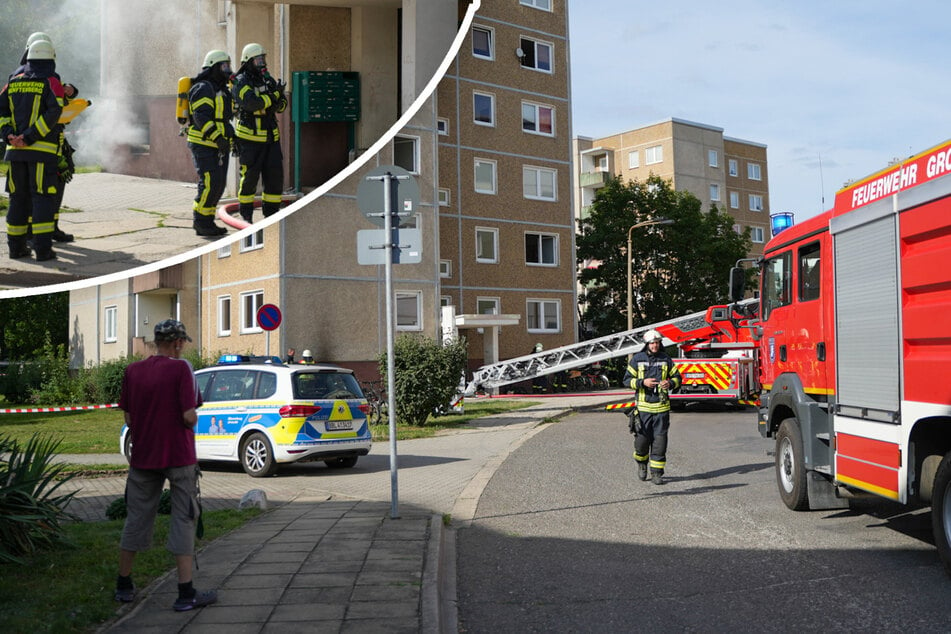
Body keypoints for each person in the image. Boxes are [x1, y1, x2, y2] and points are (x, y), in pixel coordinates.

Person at [114, 319, 217, 611]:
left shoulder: (133, 370)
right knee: (183, 518)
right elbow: (188, 416)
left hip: (144, 457)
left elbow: (129, 419)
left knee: (136, 518)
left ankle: (123, 585)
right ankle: (186, 593)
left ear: (155, 341)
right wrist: (193, 419)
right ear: (178, 342)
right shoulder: (181, 369)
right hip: (178, 456)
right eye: (183, 342)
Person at [10, 32, 78, 243]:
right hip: (44, 143)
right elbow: (53, 107)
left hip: (27, 144)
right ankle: (40, 234)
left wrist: (71, 90)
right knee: (43, 191)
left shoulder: (17, 76)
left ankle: (43, 230)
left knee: (36, 191)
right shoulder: (45, 78)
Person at [1, 39, 64, 261]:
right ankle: (43, 250)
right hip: (40, 153)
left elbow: (2, 112)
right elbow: (54, 113)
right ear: (51, 59)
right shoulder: (50, 82)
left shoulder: (13, 80)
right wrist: (29, 137)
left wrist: (8, 134)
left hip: (15, 153)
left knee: (18, 198)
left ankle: (16, 248)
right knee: (42, 198)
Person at [231, 43, 286, 223]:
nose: (262, 62)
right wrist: (272, 98)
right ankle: (246, 215)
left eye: (263, 58)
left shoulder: (267, 79)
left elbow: (282, 104)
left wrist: (276, 99)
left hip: (271, 138)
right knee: (249, 179)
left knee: (274, 177)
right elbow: (251, 103)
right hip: (250, 139)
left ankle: (271, 215)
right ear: (248, 62)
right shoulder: (241, 81)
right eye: (258, 59)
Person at [622, 329, 682, 485]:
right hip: (643, 410)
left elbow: (678, 377)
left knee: (660, 443)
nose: (655, 345)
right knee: (641, 442)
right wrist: (643, 383)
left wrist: (670, 383)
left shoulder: (666, 359)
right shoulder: (637, 359)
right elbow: (627, 380)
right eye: (652, 343)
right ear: (647, 344)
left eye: (657, 343)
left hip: (661, 410)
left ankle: (657, 473)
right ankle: (642, 464)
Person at [186, 50, 233, 237]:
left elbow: (225, 119)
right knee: (209, 183)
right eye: (223, 66)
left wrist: (231, 138)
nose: (227, 70)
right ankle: (201, 222)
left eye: (228, 65)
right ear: (213, 67)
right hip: (204, 143)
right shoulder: (204, 88)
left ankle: (208, 221)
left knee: (218, 184)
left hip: (218, 145)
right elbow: (201, 117)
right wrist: (218, 138)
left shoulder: (221, 89)